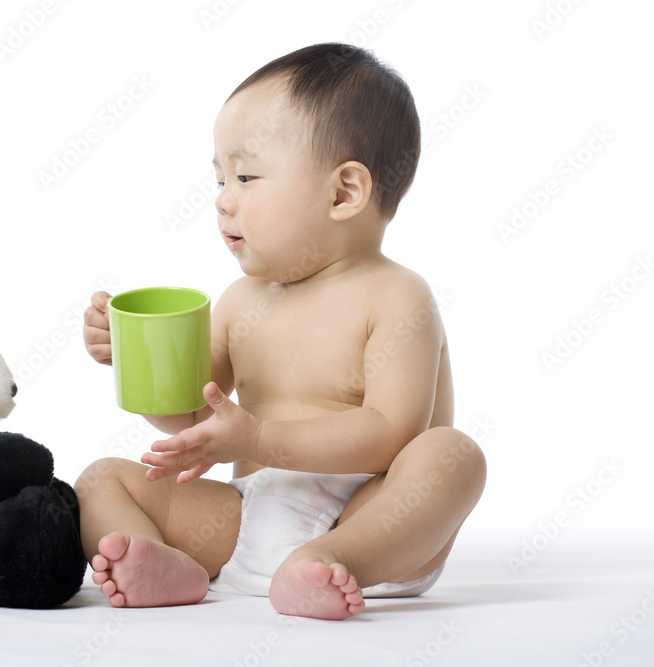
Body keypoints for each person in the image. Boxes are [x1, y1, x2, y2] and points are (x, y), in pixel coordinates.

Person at [75, 43, 486, 620]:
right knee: (100, 481)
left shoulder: (397, 296)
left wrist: (259, 442)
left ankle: (333, 560)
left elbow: (393, 435)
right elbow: (196, 424)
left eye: (245, 176)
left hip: (369, 517)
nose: (222, 201)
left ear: (343, 193)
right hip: (245, 518)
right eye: (220, 179)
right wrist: (135, 363)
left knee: (452, 457)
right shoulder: (240, 302)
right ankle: (166, 563)